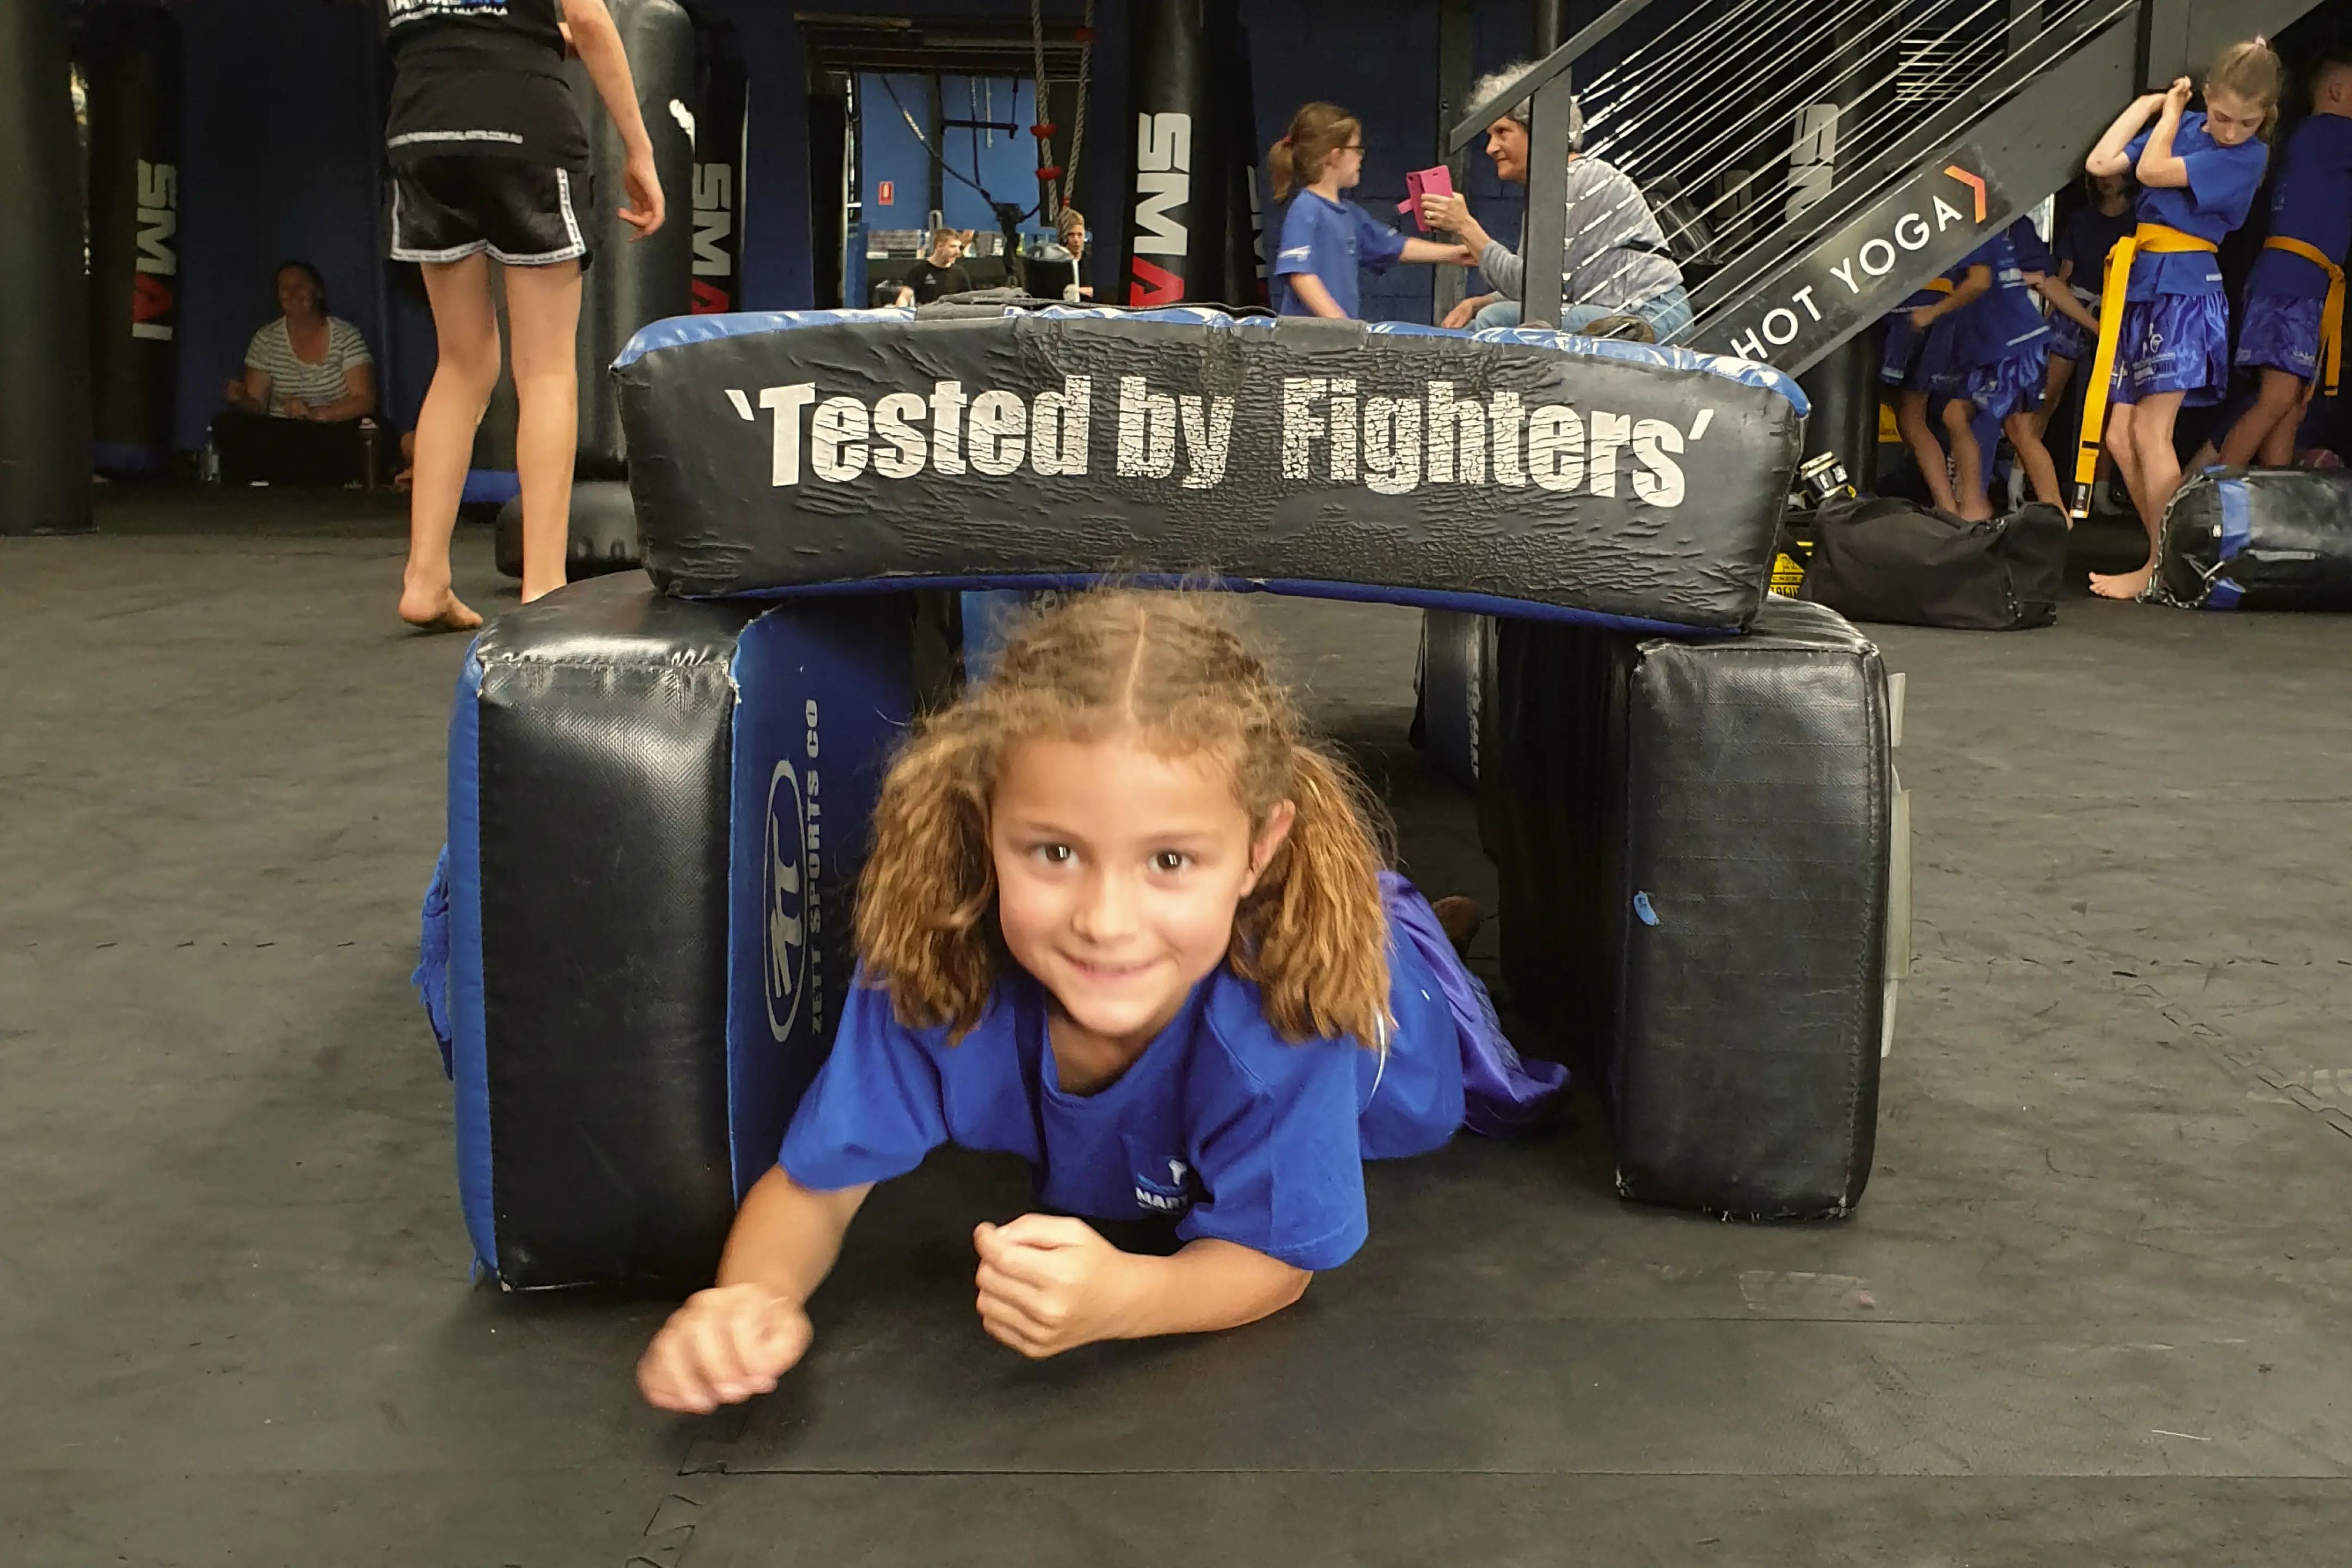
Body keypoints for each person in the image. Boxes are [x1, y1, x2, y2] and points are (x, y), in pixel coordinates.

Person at [635, 591, 1566, 1410]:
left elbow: (1278, 1266)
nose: (1105, 923)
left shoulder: (1293, 1015)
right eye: (1054, 853)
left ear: (1258, 850)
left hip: (1400, 1032)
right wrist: (751, 1296)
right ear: (985, 826)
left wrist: (1128, 1299)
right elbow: (815, 1185)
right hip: (1242, 941)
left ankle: (1428, 932)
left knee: (1415, 984)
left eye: (1170, 860)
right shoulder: (942, 965)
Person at [385, 0, 665, 632]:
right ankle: (544, 583)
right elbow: (591, 21)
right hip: (521, 123)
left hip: (422, 127)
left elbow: (455, 22)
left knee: (461, 363)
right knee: (545, 370)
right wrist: (640, 150)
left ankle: (424, 578)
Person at [2078, 42, 2279, 601]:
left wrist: (2168, 115)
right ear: (2206, 96)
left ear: (2265, 117)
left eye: (2248, 122)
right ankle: (2168, 561)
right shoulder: (2186, 127)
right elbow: (2101, 165)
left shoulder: (2248, 157)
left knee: (2149, 431)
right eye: (2222, 116)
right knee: (2120, 435)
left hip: (2186, 289)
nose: (2232, 131)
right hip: (2144, 284)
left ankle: (2167, 566)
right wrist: (2150, 106)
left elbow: (2151, 170)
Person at [1418, 65, 1692, 341]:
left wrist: (1465, 226)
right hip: (1616, 311)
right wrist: (1478, 302)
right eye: (1490, 136)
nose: (1491, 148)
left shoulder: (1580, 181)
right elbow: (1545, 283)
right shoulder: (1556, 184)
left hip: (1651, 315)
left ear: (1541, 130)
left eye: (1502, 132)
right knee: (1479, 324)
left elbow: (1535, 289)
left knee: (1495, 320)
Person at [2209, 50, 2352, 469]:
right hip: (2294, 283)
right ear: (2337, 91)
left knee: (2292, 404)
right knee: (2278, 398)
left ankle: (2275, 492)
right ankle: (2216, 491)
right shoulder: (2333, 133)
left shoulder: (2310, 137)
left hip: (2294, 281)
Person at [1269, 103, 1473, 320]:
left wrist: (1455, 254)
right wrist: (1341, 323)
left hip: (1335, 336)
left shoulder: (1350, 214)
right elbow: (1300, 276)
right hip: (1306, 336)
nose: (1361, 156)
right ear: (1335, 155)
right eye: (1357, 149)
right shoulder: (1306, 208)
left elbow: (1394, 247)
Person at [1935, 229, 2064, 520]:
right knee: (1963, 416)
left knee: (2015, 428)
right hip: (2001, 346)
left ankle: (1976, 507)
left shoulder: (1976, 234)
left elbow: (1980, 282)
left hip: (2011, 347)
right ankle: (1973, 506)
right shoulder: (1994, 236)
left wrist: (1932, 313)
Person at [212, 262, 379, 485]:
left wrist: (315, 414)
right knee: (228, 425)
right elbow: (257, 406)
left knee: (374, 431)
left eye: (300, 286)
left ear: (318, 293)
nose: (292, 293)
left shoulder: (346, 336)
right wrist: (241, 398)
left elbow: (364, 400)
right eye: (285, 288)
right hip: (284, 433)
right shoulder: (266, 339)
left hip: (330, 431)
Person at [2031, 170, 2134, 451]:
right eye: (2100, 175)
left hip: (2118, 311)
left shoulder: (2139, 221)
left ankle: (2098, 477)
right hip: (2074, 309)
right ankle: (2020, 468)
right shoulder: (2081, 220)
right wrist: (2046, 323)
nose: (2106, 180)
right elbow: (2063, 276)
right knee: (2047, 396)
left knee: (2112, 407)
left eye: (2115, 174)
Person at [1878, 260, 1984, 515]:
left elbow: (1981, 280)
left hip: (1905, 307)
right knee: (1916, 416)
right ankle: (1954, 506)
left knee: (1912, 417)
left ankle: (1949, 507)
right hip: (1933, 308)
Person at [1022, 207, 1094, 302]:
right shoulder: (1052, 263)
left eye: (1080, 235)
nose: (1076, 240)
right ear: (1064, 236)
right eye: (1071, 235)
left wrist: (1078, 291)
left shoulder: (1092, 261)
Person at [896, 229, 976, 305]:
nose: (958, 252)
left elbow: (968, 300)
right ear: (940, 246)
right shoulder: (919, 270)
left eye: (959, 248)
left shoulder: (960, 273)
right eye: (953, 247)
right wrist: (901, 311)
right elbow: (905, 297)